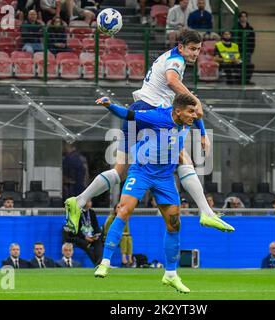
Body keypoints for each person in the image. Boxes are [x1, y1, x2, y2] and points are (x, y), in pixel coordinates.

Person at [65, 30, 233, 234]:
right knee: (183, 159)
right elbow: (172, 80)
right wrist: (194, 100)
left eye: (198, 49)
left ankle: (79, 200)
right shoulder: (176, 61)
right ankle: (206, 212)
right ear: (181, 47)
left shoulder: (168, 56)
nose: (196, 53)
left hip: (138, 110)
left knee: (120, 171)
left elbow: (181, 99)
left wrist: (200, 124)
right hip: (151, 113)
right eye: (192, 49)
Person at [94, 94, 230, 293]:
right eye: (190, 112)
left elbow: (199, 115)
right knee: (124, 210)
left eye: (194, 112)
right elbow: (129, 114)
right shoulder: (157, 116)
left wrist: (202, 134)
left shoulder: (187, 119)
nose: (194, 115)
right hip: (141, 170)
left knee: (174, 225)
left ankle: (171, 274)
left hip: (165, 176)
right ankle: (105, 262)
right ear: (177, 111)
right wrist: (109, 105)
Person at [63, 200, 103, 266]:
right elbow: (75, 230)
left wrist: (96, 235)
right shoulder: (76, 213)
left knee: (98, 242)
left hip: (91, 236)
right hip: (79, 237)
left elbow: (96, 226)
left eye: (90, 201)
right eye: (88, 201)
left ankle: (99, 263)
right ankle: (98, 264)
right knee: (86, 246)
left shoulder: (92, 212)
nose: (90, 203)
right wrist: (85, 237)